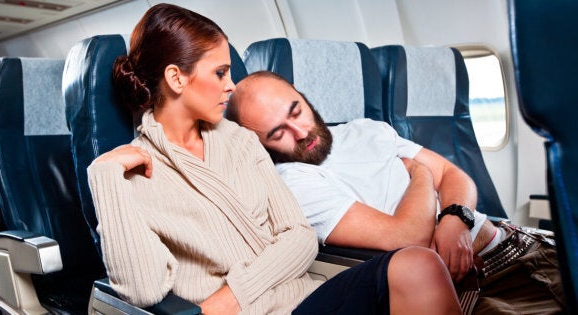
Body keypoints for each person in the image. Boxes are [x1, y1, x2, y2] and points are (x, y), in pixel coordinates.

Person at [87, 3, 461, 315]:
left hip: (301, 298)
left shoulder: (239, 142)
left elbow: (300, 237)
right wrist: (104, 177)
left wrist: (232, 294)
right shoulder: (130, 172)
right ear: (176, 78)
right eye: (220, 72)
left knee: (419, 264)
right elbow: (143, 291)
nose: (231, 85)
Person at [226, 70, 565, 314]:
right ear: (259, 145)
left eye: (296, 110)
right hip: (484, 282)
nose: (300, 131)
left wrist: (454, 219)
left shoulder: (366, 128)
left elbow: (452, 173)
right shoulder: (291, 181)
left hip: (523, 243)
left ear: (302, 95)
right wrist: (420, 174)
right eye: (277, 133)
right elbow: (408, 239)